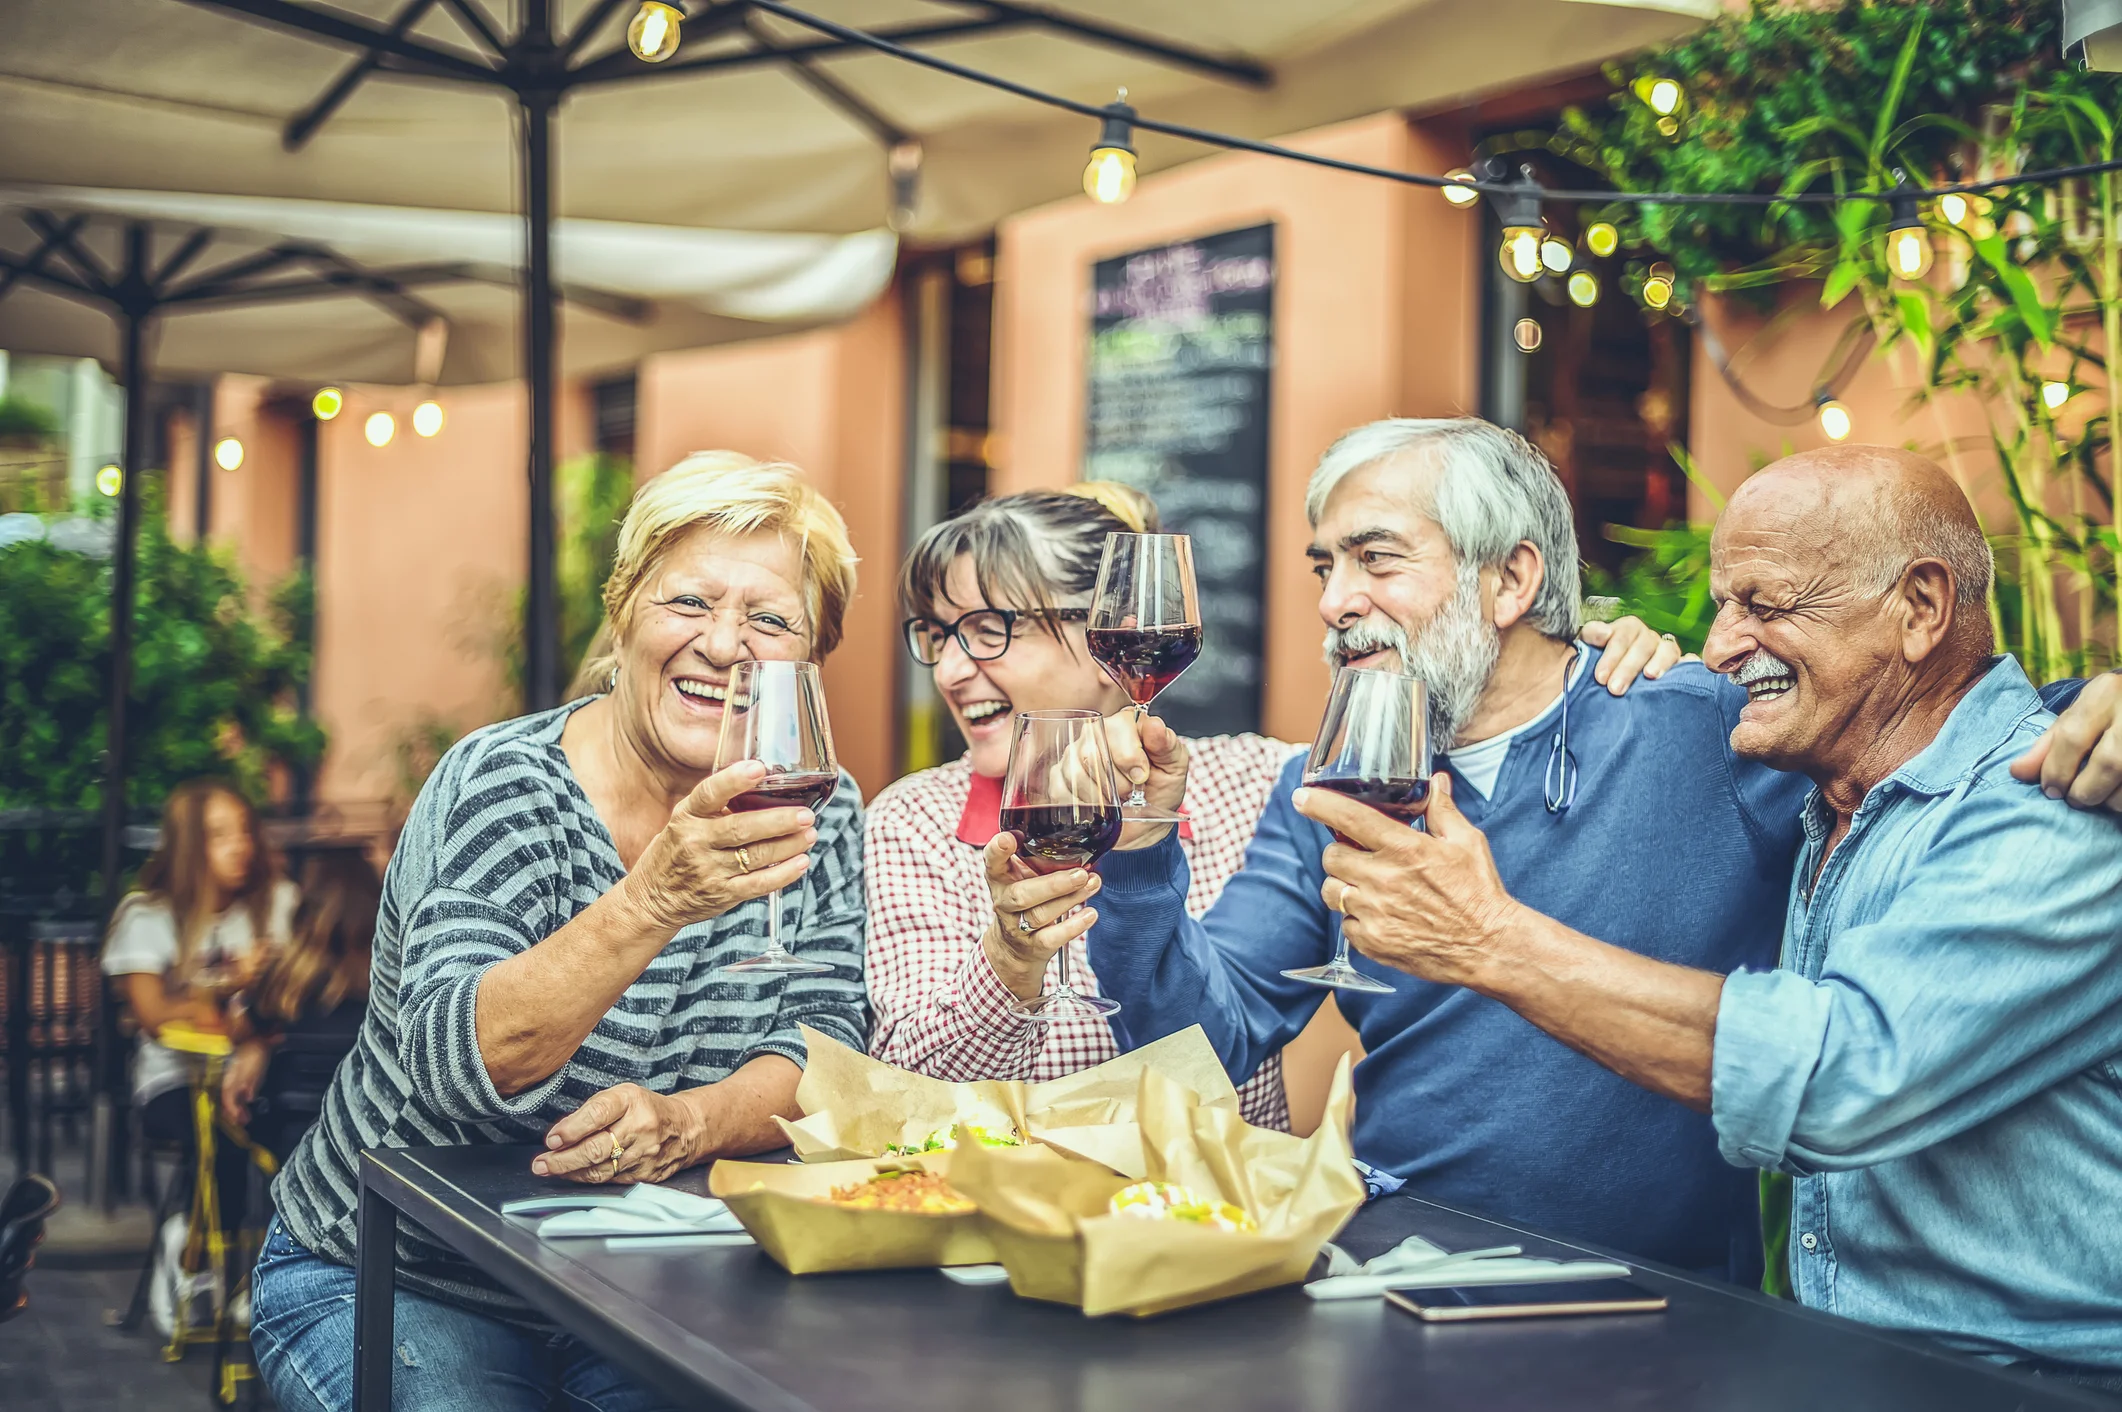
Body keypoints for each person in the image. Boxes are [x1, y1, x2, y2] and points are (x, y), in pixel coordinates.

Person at [994, 417, 2115, 1282]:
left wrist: (2086, 714)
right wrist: (1141, 858)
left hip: (1665, 1302)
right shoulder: (1327, 777)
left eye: (1376, 559)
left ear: (1512, 581)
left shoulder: (1707, 728)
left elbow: (1920, 745)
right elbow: (1209, 1033)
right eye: (1321, 564)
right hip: (1401, 1266)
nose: (1335, 602)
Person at [1302, 445, 2122, 1389]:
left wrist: (1491, 939)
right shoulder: (1827, 805)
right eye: (1725, 607)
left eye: (1766, 607)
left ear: (1922, 608)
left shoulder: (2056, 811)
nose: (1723, 646)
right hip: (1843, 1365)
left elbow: (1839, 1078)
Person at [250, 452, 869, 1412]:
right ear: (623, 613)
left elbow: (825, 1047)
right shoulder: (504, 783)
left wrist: (691, 1122)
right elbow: (462, 1066)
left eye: (771, 618)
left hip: (645, 1283)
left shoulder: (817, 812)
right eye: (689, 602)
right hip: (399, 1272)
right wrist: (654, 899)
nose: (725, 644)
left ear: (814, 657)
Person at [869, 482, 1685, 1128]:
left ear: (1106, 628)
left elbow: (1494, 814)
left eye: (985, 630)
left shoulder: (1271, 783)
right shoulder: (912, 823)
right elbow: (900, 1094)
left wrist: (1580, 663)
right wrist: (1011, 963)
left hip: (1217, 1243)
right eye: (936, 637)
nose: (949, 670)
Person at [102, 780, 297, 1230]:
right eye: (220, 835)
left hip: (264, 1069)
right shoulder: (146, 916)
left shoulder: (278, 903)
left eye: (245, 831)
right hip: (175, 1079)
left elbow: (294, 1001)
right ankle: (198, 1261)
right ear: (189, 845)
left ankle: (274, 1260)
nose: (240, 847)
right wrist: (234, 982)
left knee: (302, 1125)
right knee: (221, 1137)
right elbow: (153, 1016)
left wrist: (255, 1044)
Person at [221, 849, 382, 1168]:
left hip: (292, 1139)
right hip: (372, 1139)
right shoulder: (389, 982)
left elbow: (238, 1028)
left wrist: (256, 1042)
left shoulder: (285, 978)